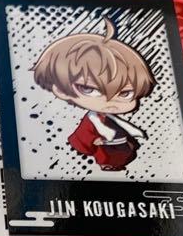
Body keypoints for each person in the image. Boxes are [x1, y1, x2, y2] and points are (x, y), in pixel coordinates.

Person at [32, 19, 155, 171]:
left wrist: (132, 134)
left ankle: (115, 163)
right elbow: (87, 135)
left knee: (122, 152)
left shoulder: (107, 116)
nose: (109, 101)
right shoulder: (92, 118)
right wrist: (99, 140)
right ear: (61, 90)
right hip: (102, 145)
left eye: (125, 93)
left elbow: (119, 124)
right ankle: (106, 164)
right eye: (88, 89)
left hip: (116, 142)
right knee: (108, 154)